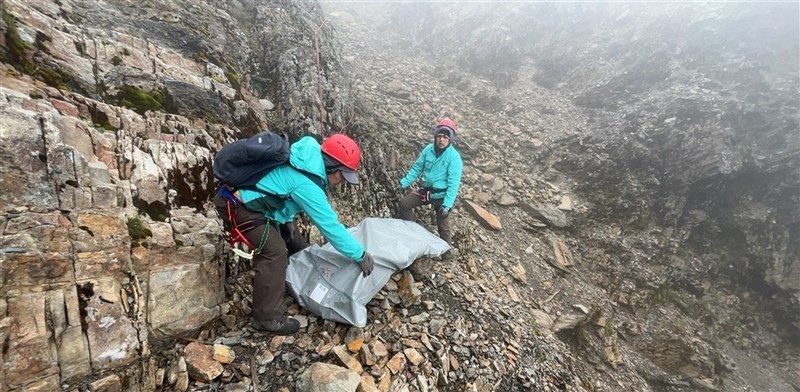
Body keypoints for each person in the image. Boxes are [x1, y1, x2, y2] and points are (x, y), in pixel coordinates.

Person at [214, 133, 374, 335]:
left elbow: (279, 189)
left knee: (294, 239)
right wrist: (360, 255)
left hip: (249, 201)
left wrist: (286, 221)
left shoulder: (308, 159)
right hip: (238, 206)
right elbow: (331, 227)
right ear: (331, 166)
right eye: (342, 174)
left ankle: (293, 281)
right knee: (275, 252)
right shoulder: (308, 184)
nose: (342, 180)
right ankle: (266, 317)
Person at [396, 118, 463, 260]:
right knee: (404, 204)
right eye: (439, 135)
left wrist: (447, 205)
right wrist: (404, 183)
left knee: (443, 227)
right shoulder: (428, 150)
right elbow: (416, 168)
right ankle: (410, 234)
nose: (441, 139)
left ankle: (447, 256)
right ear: (435, 135)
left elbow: (453, 184)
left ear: (450, 139)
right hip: (426, 191)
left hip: (442, 196)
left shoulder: (454, 158)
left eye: (446, 136)